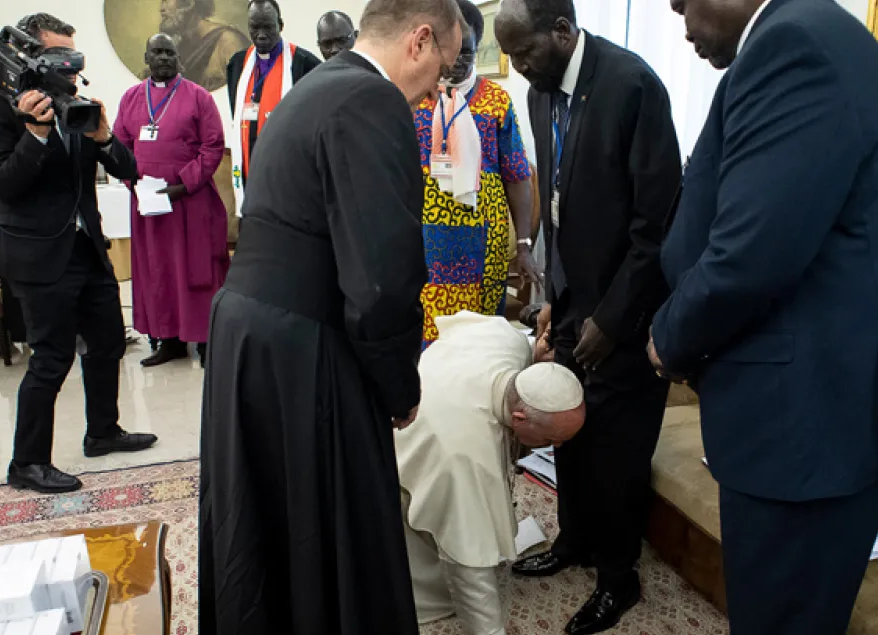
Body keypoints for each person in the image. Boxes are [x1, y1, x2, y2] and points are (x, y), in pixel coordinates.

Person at [651, 0, 878, 633]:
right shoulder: (799, 38)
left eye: (681, 3)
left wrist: (666, 339)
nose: (681, 21)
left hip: (808, 420)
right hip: (807, 408)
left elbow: (750, 255)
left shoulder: (794, 48)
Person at [198, 0, 463, 631]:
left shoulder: (317, 84)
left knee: (266, 528)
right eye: (441, 73)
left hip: (249, 330)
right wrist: (399, 387)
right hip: (301, 345)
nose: (432, 96)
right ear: (420, 42)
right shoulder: (373, 102)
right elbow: (379, 280)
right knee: (331, 529)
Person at [495, 1, 682, 633]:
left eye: (525, 53)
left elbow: (655, 227)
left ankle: (618, 577)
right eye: (512, 56)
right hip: (574, 302)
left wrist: (612, 317)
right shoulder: (541, 94)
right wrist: (552, 294)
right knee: (566, 432)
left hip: (629, 316)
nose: (519, 69)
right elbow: (557, 209)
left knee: (618, 452)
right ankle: (573, 541)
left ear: (563, 31)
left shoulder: (633, 86)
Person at [0, 13, 157, 494]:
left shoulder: (73, 101)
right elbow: (3, 186)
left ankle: (102, 431)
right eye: (60, 57)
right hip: (38, 256)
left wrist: (105, 138)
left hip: (84, 247)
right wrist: (34, 135)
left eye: (74, 58)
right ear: (31, 56)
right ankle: (27, 463)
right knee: (51, 359)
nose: (71, 68)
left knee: (108, 343)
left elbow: (127, 167)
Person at [396, 311, 585, 635]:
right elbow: (469, 571)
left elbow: (521, 348)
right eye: (550, 441)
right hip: (404, 470)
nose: (553, 449)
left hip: (436, 406)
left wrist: (535, 356)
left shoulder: (508, 341)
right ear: (519, 417)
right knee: (455, 543)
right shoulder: (467, 457)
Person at [413, 0, 536, 347]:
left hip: (485, 242)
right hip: (426, 243)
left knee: (480, 342)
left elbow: (517, 175)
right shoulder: (415, 98)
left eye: (466, 53)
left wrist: (524, 244)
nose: (455, 62)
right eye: (449, 51)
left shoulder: (495, 101)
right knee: (432, 340)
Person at [114, 34, 229, 368]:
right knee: (158, 271)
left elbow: (213, 147)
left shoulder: (199, 97)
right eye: (158, 52)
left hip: (190, 203)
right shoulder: (132, 99)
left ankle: (208, 341)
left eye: (170, 53)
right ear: (147, 56)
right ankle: (170, 341)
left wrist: (183, 185)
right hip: (150, 208)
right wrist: (133, 183)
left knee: (197, 269)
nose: (164, 58)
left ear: (179, 58)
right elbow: (120, 149)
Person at [224, 0, 321, 217]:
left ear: (281, 25)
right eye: (254, 27)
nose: (260, 34)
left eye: (267, 27)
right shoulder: (237, 65)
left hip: (289, 176)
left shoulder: (305, 65)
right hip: (249, 171)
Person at [158, 0, 248, 91]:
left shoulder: (228, 42)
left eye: (166, 1)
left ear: (189, 3)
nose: (161, 9)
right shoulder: (179, 50)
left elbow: (243, 93)